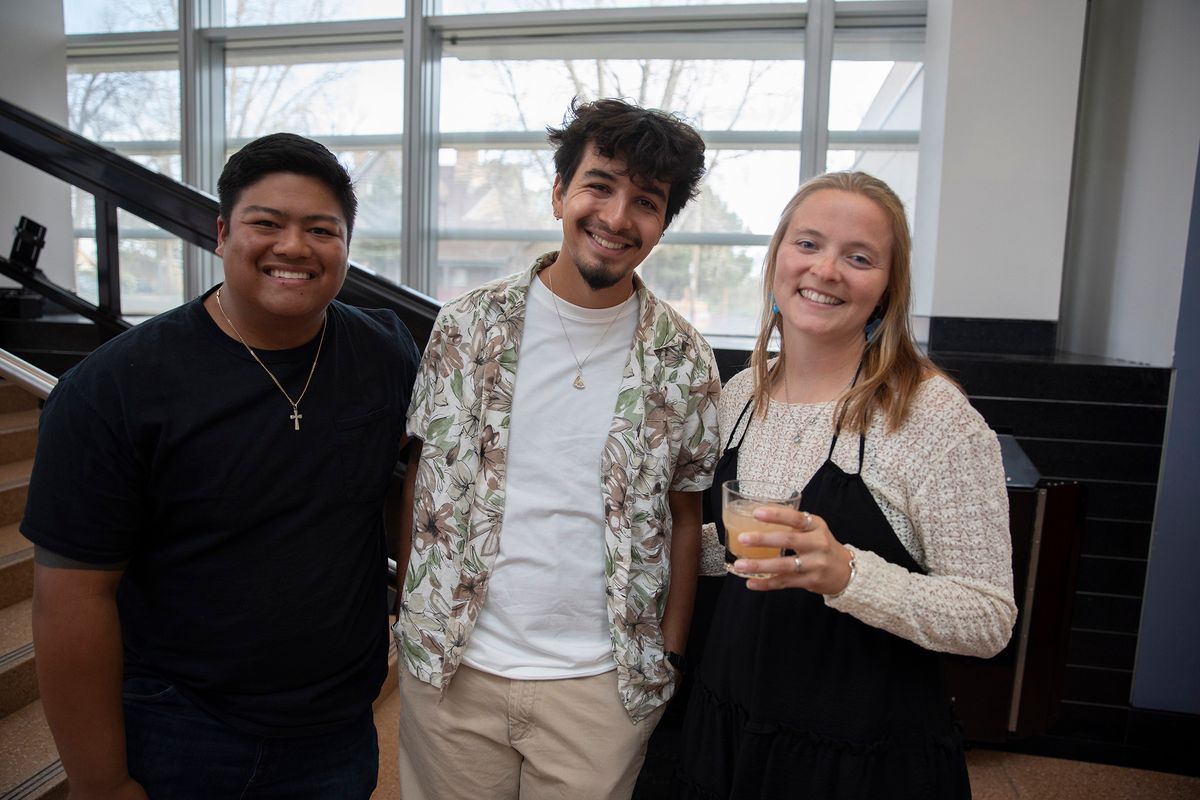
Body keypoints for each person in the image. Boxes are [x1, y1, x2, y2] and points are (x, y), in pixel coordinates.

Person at [22, 133, 420, 800]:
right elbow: (71, 598)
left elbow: (423, 490)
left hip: (339, 729)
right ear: (222, 233)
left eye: (321, 229)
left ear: (346, 245)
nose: (294, 247)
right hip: (181, 727)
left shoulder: (384, 352)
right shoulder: (114, 388)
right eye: (267, 223)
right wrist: (100, 782)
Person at [394, 97, 721, 800]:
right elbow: (422, 477)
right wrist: (412, 615)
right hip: (453, 670)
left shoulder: (684, 359)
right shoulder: (467, 327)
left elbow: (685, 512)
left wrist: (669, 653)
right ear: (559, 194)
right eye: (599, 185)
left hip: (602, 684)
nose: (617, 217)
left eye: (646, 201)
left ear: (663, 224)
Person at [676, 171, 1017, 799]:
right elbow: (739, 558)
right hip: (729, 726)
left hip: (858, 759)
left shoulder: (931, 417)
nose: (826, 270)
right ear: (777, 259)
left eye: (859, 258)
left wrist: (848, 575)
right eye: (808, 244)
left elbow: (988, 618)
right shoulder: (741, 394)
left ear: (888, 288)